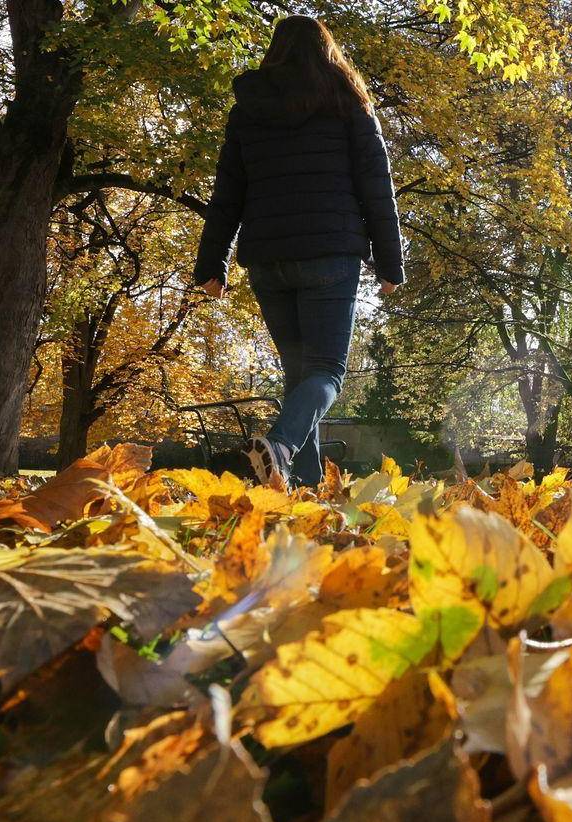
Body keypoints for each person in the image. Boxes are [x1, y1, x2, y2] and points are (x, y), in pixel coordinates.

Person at [193, 15, 403, 490]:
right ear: (327, 52)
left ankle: (302, 492)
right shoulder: (348, 103)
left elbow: (228, 191)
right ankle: (281, 446)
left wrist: (212, 263)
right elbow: (377, 188)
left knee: (298, 381)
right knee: (326, 372)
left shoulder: (249, 110)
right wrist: (390, 263)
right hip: (331, 255)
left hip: (268, 260)